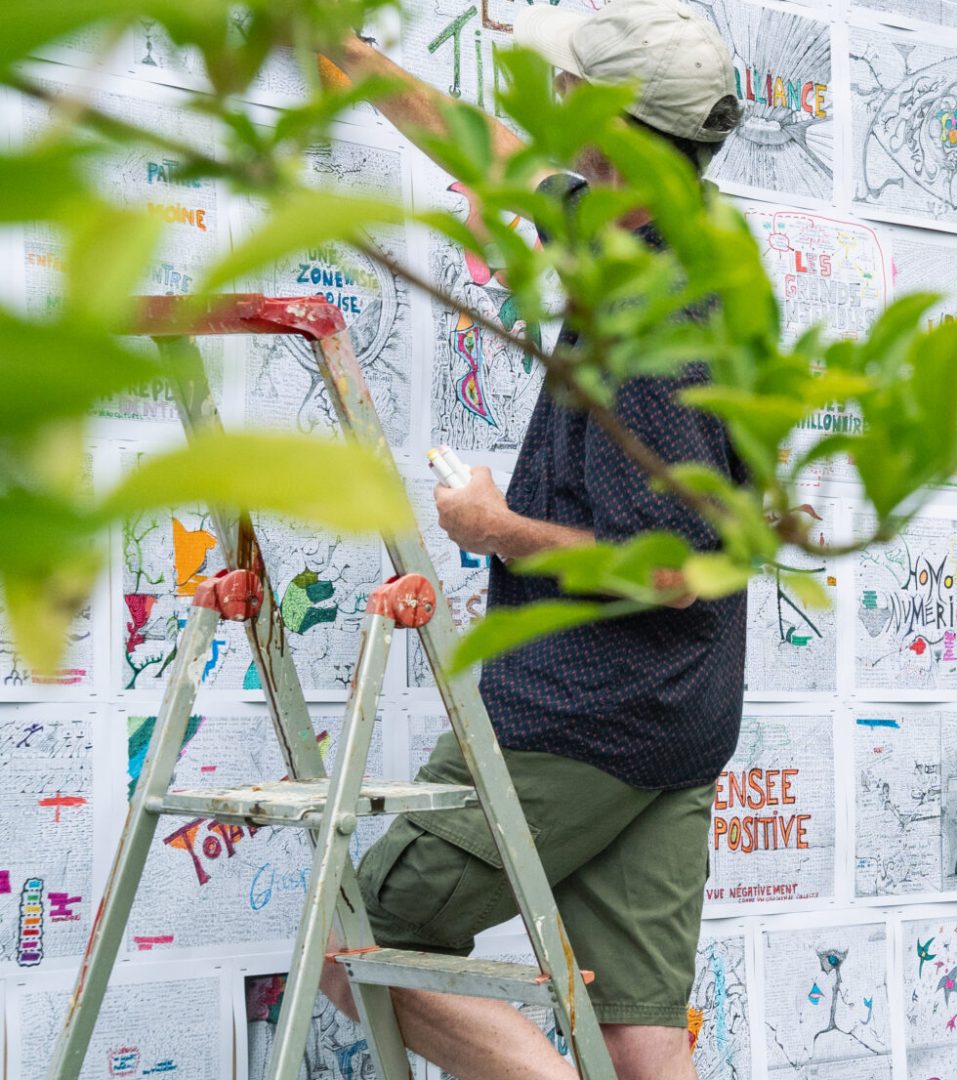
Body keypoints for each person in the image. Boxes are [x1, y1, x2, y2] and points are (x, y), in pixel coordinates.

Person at [311, 5, 747, 1079]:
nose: (554, 105)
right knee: (640, 1035)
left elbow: (670, 570)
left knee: (351, 936)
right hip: (670, 720)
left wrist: (491, 528)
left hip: (584, 710)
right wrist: (342, 51)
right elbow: (490, 155)